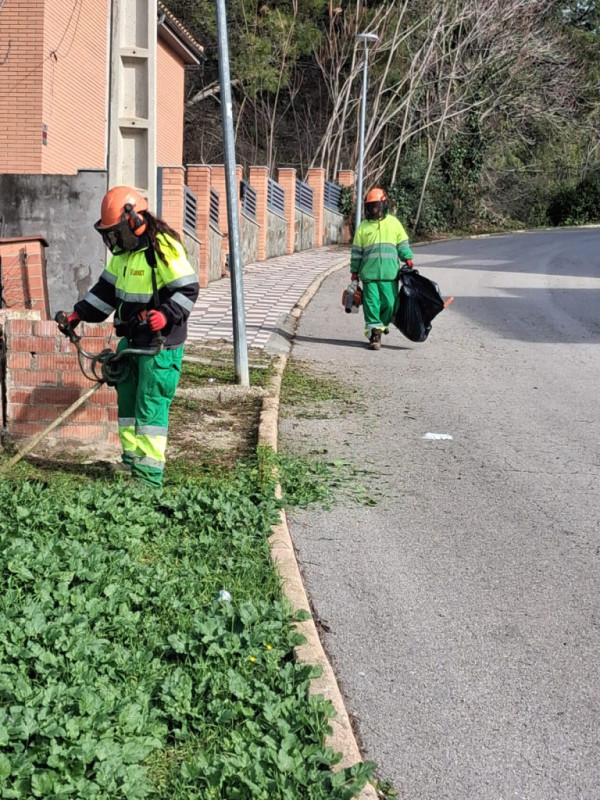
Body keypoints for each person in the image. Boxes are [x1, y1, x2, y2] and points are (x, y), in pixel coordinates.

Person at [63, 185, 199, 487]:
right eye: (108, 234)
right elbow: (105, 294)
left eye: (116, 232)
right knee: (127, 406)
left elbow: (188, 289)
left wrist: (165, 314)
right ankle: (131, 464)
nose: (113, 241)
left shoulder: (162, 247)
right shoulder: (123, 256)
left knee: (149, 406)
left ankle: (149, 477)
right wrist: (77, 314)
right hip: (131, 342)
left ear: (135, 221)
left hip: (158, 346)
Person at [350, 187, 414, 350]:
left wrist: (407, 257)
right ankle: (375, 334)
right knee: (371, 304)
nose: (374, 209)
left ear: (384, 204)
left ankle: (382, 325)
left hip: (390, 275)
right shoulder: (363, 227)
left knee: (390, 304)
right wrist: (354, 272)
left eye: (376, 205)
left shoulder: (394, 223)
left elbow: (402, 243)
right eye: (371, 206)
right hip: (369, 276)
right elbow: (357, 252)